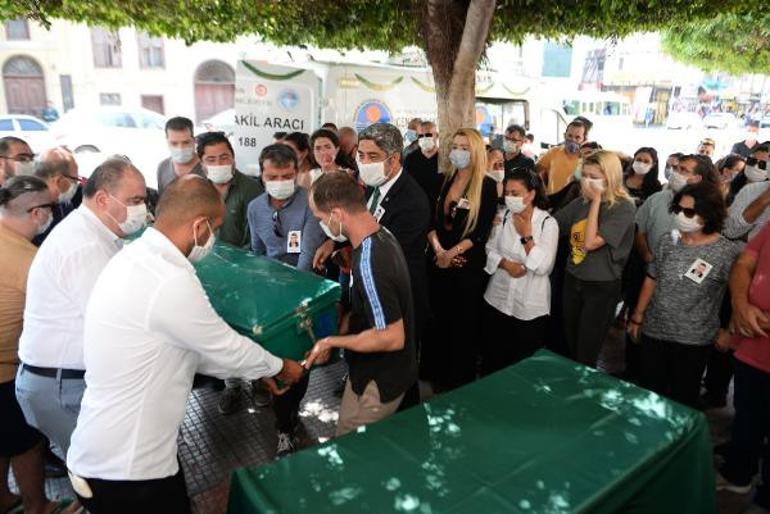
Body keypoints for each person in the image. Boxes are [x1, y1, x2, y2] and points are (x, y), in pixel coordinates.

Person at [66, 175, 305, 514]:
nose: (215, 237)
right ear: (200, 225)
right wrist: (280, 366)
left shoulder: (135, 258)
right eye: (216, 227)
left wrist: (256, 371)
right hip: (128, 469)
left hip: (109, 451)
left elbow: (190, 349)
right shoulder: (167, 280)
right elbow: (223, 344)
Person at [16, 158, 147, 459]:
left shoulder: (98, 233)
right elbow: (115, 325)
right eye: (135, 201)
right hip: (62, 387)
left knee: (101, 471)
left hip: (62, 380)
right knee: (106, 474)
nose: (141, 209)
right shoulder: (84, 247)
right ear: (102, 199)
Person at [304, 172, 416, 436]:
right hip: (373, 368)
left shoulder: (370, 262)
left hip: (381, 378)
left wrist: (331, 342)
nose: (321, 225)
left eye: (321, 218)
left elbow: (391, 337)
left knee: (352, 446)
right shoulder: (381, 234)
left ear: (337, 215)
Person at [235, 144, 324, 455]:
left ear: (297, 173)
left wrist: (288, 302)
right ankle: (284, 424)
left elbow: (307, 258)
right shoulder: (256, 207)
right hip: (268, 296)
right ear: (262, 174)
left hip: (300, 298)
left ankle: (288, 419)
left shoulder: (309, 204)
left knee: (299, 366)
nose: (280, 181)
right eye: (273, 176)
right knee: (275, 366)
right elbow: (258, 253)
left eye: (287, 175)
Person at [0, 176, 77, 514]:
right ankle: (38, 506)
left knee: (2, 440)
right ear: (36, 213)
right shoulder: (29, 261)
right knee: (26, 442)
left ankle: (3, 497)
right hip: (4, 369)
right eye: (50, 208)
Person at [628, 183, 739, 408]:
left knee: (681, 400)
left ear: (708, 215)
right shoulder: (668, 240)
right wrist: (637, 316)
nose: (680, 215)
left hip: (693, 340)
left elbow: (737, 295)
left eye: (689, 212)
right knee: (650, 396)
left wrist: (730, 331)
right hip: (654, 330)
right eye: (677, 209)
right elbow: (652, 277)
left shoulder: (725, 252)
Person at [423, 128, 498, 390]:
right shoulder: (444, 179)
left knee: (462, 326)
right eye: (456, 146)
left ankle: (457, 382)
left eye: (465, 147)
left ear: (476, 152)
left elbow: (479, 233)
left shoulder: (487, 186)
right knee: (438, 322)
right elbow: (431, 223)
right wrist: (440, 252)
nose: (458, 152)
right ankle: (436, 376)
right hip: (438, 262)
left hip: (466, 267)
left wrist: (451, 254)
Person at [554, 150, 636, 367]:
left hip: (600, 286)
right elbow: (553, 224)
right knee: (571, 341)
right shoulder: (580, 202)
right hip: (573, 279)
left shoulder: (623, 207)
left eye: (594, 177)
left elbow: (590, 243)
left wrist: (597, 200)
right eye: (585, 175)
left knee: (586, 349)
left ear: (610, 178)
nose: (587, 182)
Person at [480, 169, 558, 374]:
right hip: (498, 298)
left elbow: (544, 267)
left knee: (521, 365)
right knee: (493, 359)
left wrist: (526, 237)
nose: (510, 198)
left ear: (531, 194)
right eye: (507, 192)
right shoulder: (503, 216)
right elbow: (489, 249)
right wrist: (506, 264)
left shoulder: (547, 224)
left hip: (528, 306)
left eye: (516, 193)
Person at [717, 221, 770, 506]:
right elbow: (743, 265)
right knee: (746, 419)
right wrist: (740, 303)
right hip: (751, 348)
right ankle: (738, 476)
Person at [635, 154, 720, 264]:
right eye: (676, 168)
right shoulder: (656, 198)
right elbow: (640, 230)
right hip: (649, 267)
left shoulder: (707, 207)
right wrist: (647, 256)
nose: (675, 173)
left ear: (697, 179)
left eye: (683, 170)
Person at [198, 131, 263, 248]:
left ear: (233, 158)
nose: (218, 164)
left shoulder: (251, 189)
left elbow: (256, 239)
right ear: (202, 164)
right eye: (211, 160)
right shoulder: (198, 189)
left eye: (224, 158)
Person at [32, 148, 83, 245]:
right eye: (75, 180)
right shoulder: (28, 213)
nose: (76, 185)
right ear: (59, 180)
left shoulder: (64, 204)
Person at [724, 144, 770, 241]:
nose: (755, 166)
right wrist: (763, 199)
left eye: (762, 164)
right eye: (752, 161)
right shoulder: (748, 189)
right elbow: (730, 231)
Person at [536, 120, 587, 195]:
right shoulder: (553, 152)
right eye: (570, 135)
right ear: (564, 135)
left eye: (577, 137)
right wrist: (543, 189)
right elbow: (537, 170)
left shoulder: (586, 157)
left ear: (584, 139)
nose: (573, 140)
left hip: (575, 202)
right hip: (553, 200)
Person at [156, 117, 204, 196]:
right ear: (167, 141)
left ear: (194, 141)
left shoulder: (206, 167)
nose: (180, 148)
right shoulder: (163, 167)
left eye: (186, 142)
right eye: (174, 143)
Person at [403, 120, 442, 208]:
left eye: (428, 135)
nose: (424, 138)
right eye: (421, 136)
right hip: (415, 207)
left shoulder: (444, 159)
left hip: (437, 208)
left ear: (436, 136)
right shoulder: (410, 159)